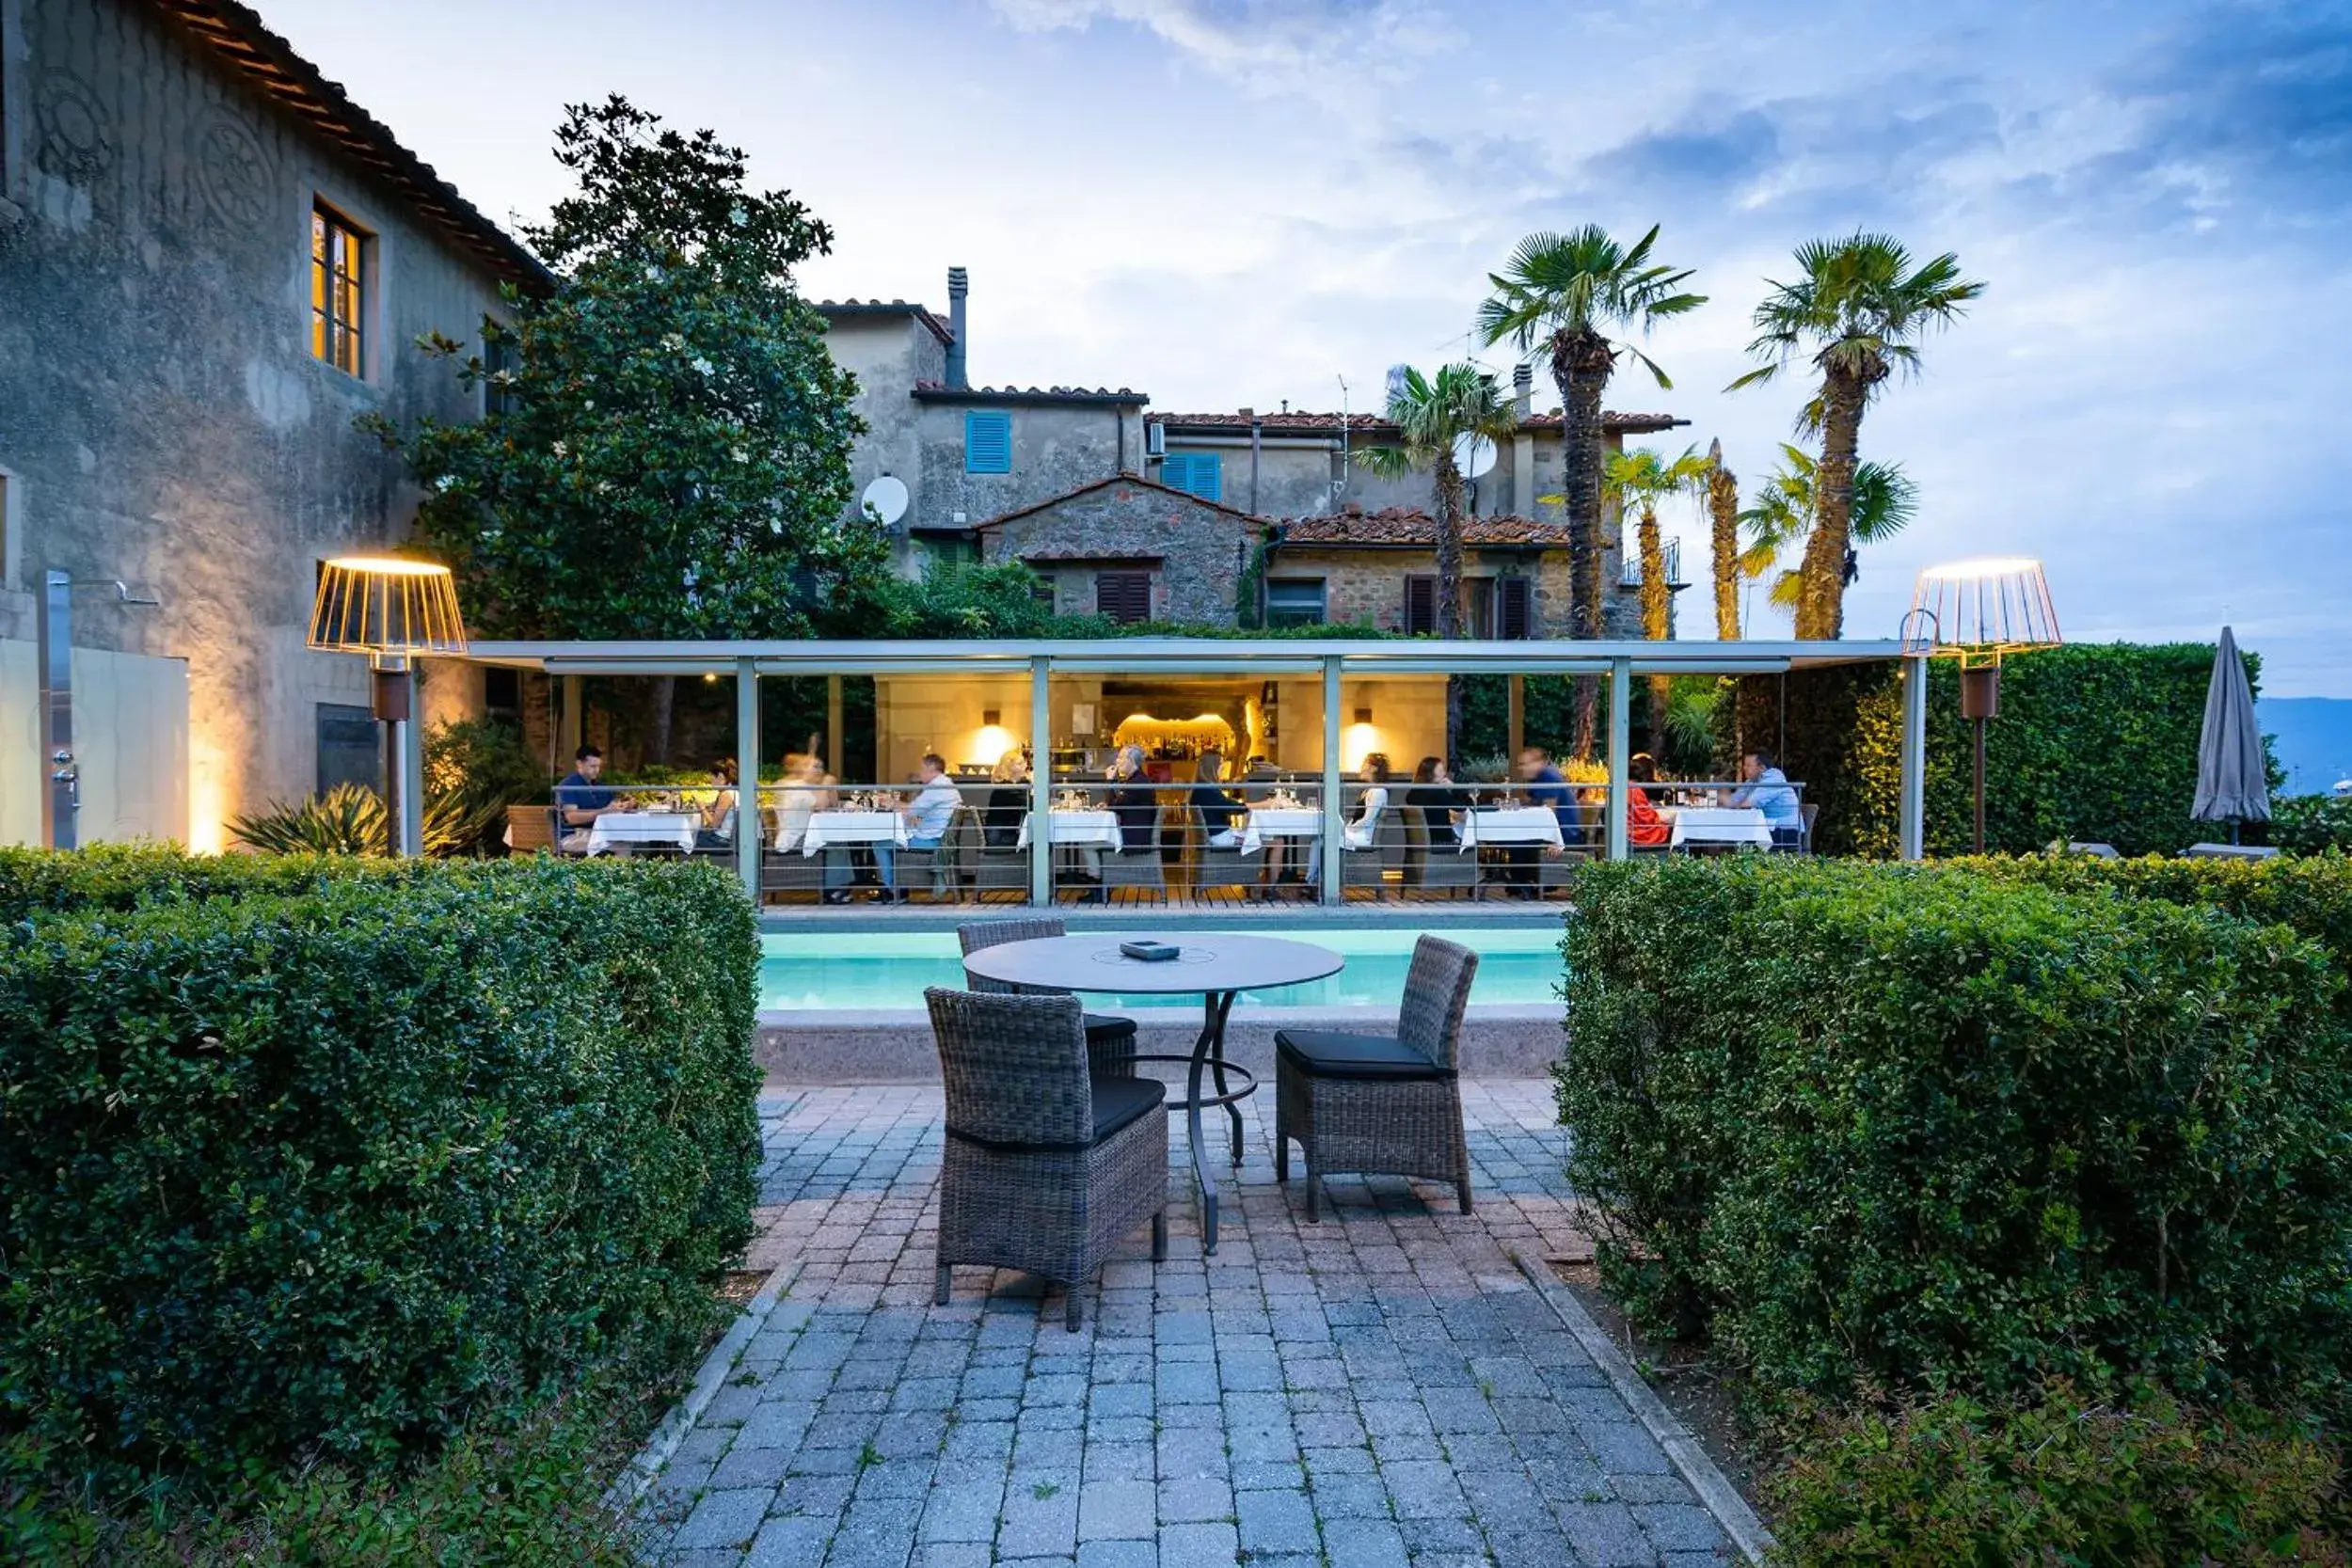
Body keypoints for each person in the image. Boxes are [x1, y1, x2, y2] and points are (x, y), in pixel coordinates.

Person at [873, 752, 961, 902]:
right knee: (895, 839)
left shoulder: (936, 788)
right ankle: (900, 888)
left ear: (931, 768)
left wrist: (891, 802)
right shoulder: (947, 785)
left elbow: (912, 810)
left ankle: (891, 890)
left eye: (922, 768)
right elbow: (916, 812)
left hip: (931, 840)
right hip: (939, 837)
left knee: (879, 843)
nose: (919, 772)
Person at [1306, 754, 1391, 882]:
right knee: (1318, 839)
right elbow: (1358, 817)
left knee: (1320, 840)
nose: (1361, 769)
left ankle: (1312, 880)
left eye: (1365, 765)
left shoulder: (1378, 791)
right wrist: (1346, 828)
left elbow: (1368, 820)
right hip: (1355, 832)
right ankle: (1315, 879)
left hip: (1363, 837)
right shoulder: (1368, 790)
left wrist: (1348, 830)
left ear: (1374, 768)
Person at [1726, 747, 1804, 848]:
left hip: (1788, 832)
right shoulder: (1752, 781)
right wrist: (1716, 797)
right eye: (1744, 765)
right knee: (1734, 838)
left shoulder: (1774, 777)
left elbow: (1748, 804)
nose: (1744, 768)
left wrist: (1734, 805)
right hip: (1768, 829)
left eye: (1748, 765)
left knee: (1742, 843)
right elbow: (1732, 801)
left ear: (1762, 768)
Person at [554, 745, 616, 853]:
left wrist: (623, 806)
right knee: (620, 844)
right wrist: (603, 812)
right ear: (579, 764)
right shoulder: (569, 785)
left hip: (597, 833)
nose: (597, 770)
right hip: (573, 836)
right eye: (592, 766)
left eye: (598, 766)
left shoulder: (600, 786)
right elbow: (572, 817)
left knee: (631, 841)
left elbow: (612, 806)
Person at [1406, 755, 1469, 848]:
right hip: (1441, 842)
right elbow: (1461, 808)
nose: (1444, 774)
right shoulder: (1437, 792)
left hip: (1420, 843)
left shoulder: (1413, 793)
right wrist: (1454, 788)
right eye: (1440, 771)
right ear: (1430, 773)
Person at [1192, 749, 1248, 848]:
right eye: (1220, 764)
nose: (1222, 768)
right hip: (1220, 838)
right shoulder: (1208, 790)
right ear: (1212, 767)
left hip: (1214, 836)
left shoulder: (1199, 787)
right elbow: (1231, 807)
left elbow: (1225, 804)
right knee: (1271, 841)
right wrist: (1258, 805)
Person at [983, 752, 1029, 850]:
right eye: (1019, 764)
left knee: (1034, 840)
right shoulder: (1006, 788)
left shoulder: (1012, 786)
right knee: (1038, 842)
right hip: (999, 837)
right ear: (1010, 767)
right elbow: (1030, 804)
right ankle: (1036, 865)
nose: (1025, 766)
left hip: (1001, 833)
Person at [1626, 752, 1671, 849]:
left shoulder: (1626, 786)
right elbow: (1646, 818)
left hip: (1630, 831)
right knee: (1674, 831)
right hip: (1639, 835)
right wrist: (1656, 816)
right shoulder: (1635, 790)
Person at [694, 759, 739, 850]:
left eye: (712, 776)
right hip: (725, 838)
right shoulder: (732, 791)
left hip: (721, 840)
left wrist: (702, 808)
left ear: (720, 776)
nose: (710, 780)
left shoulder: (726, 795)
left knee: (691, 838)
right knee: (696, 834)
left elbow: (715, 825)